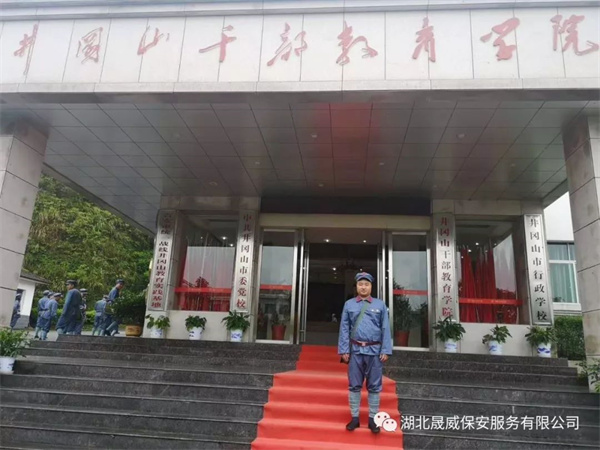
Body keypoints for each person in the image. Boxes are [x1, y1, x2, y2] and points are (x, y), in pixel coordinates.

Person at [338, 272, 392, 434]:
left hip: (374, 351)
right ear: (356, 286)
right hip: (355, 351)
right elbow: (344, 328)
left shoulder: (380, 305)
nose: (363, 287)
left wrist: (385, 349)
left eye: (366, 284)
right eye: (360, 284)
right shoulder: (349, 305)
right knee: (354, 385)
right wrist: (344, 350)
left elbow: (385, 328)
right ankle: (355, 418)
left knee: (374, 386)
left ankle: (373, 419)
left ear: (371, 287)